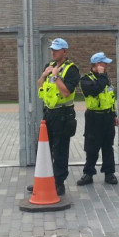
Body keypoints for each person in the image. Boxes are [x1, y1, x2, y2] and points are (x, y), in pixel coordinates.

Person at [35, 38, 80, 196]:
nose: (53, 52)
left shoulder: (71, 69)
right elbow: (40, 85)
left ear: (64, 51)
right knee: (43, 148)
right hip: (49, 113)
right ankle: (43, 179)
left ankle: (58, 183)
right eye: (52, 49)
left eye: (56, 49)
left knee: (60, 150)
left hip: (63, 115)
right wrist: (44, 75)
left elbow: (66, 91)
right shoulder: (50, 66)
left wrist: (55, 77)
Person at [77, 52, 118, 186]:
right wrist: (101, 76)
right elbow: (95, 90)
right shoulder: (85, 80)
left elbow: (110, 98)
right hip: (94, 117)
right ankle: (88, 173)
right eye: (104, 63)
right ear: (97, 64)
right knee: (92, 147)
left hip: (107, 116)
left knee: (108, 146)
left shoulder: (105, 78)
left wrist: (114, 115)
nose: (106, 65)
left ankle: (109, 173)